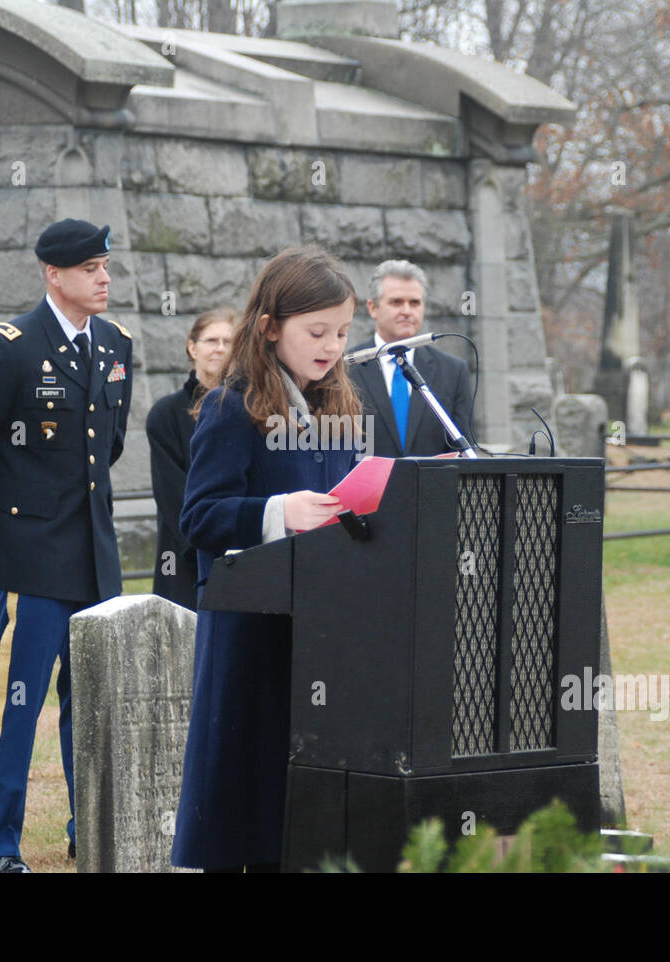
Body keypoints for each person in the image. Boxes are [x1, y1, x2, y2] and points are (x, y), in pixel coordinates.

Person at [0, 218, 132, 874]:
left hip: (96, 557)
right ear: (54, 274)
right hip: (32, 555)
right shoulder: (11, 347)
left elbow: (107, 449)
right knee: (19, 698)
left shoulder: (114, 344)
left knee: (96, 702)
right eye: (90, 269)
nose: (104, 279)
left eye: (105, 267)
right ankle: (2, 843)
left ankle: (91, 825)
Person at [172, 246, 364, 873]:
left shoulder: (338, 409)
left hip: (322, 630)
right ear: (269, 326)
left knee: (303, 804)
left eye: (341, 331)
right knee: (245, 799)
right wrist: (278, 512)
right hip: (251, 633)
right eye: (317, 331)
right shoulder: (233, 407)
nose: (332, 346)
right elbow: (199, 517)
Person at [145, 307, 235, 609]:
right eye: (212, 340)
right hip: (185, 560)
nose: (220, 348)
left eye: (229, 341)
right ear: (192, 347)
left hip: (241, 556)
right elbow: (172, 495)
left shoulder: (251, 409)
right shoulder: (166, 414)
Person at [347, 259, 474, 456]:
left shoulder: (453, 371)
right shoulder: (346, 368)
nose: (407, 311)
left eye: (414, 303)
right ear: (373, 308)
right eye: (396, 302)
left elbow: (463, 450)